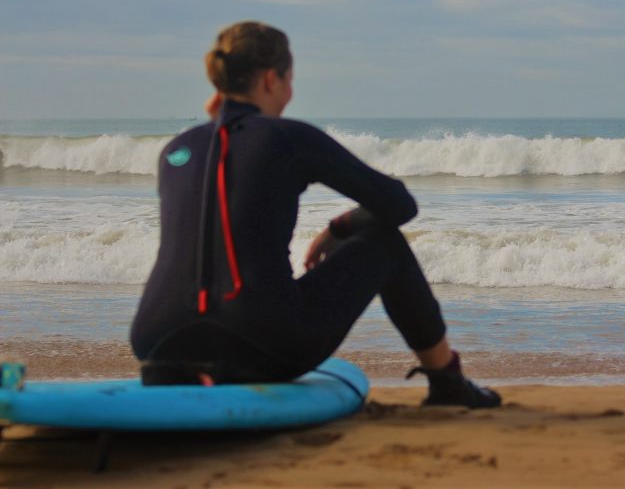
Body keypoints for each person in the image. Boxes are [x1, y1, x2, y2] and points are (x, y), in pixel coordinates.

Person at [131, 21, 500, 408]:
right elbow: (399, 205)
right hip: (260, 341)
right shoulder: (287, 137)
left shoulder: (176, 149)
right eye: (290, 80)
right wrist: (342, 227)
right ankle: (448, 382)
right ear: (272, 79)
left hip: (157, 345)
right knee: (385, 244)